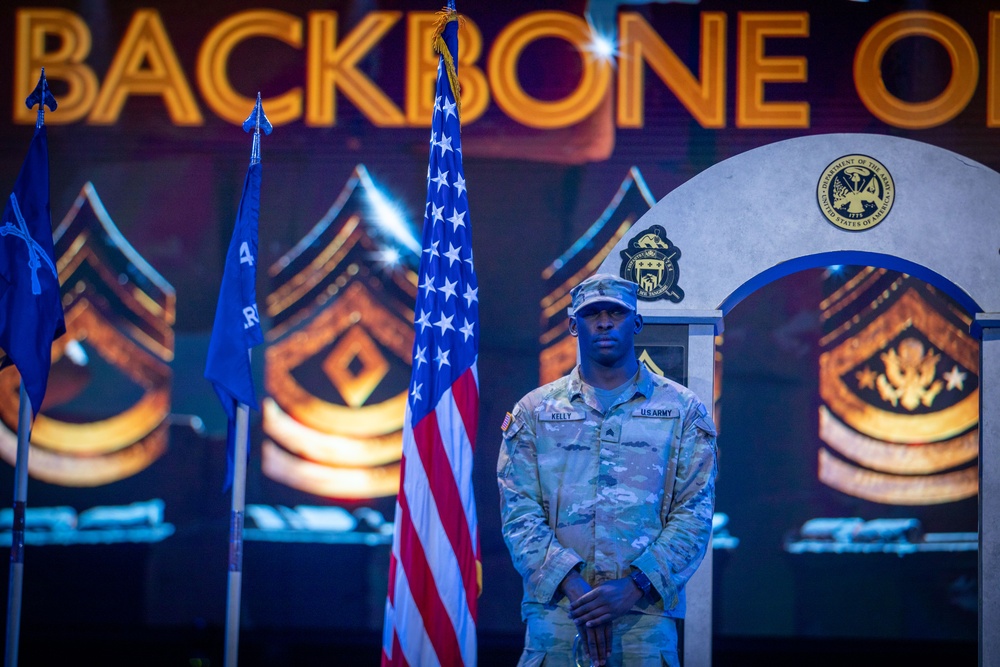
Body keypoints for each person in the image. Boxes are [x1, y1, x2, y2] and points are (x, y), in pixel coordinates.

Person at [497, 273, 718, 667]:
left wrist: (635, 586)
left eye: (615, 313)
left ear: (635, 324)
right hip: (558, 616)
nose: (603, 322)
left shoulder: (684, 411)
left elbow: (694, 514)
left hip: (643, 620)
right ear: (572, 325)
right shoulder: (534, 412)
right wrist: (572, 584)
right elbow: (519, 511)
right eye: (591, 314)